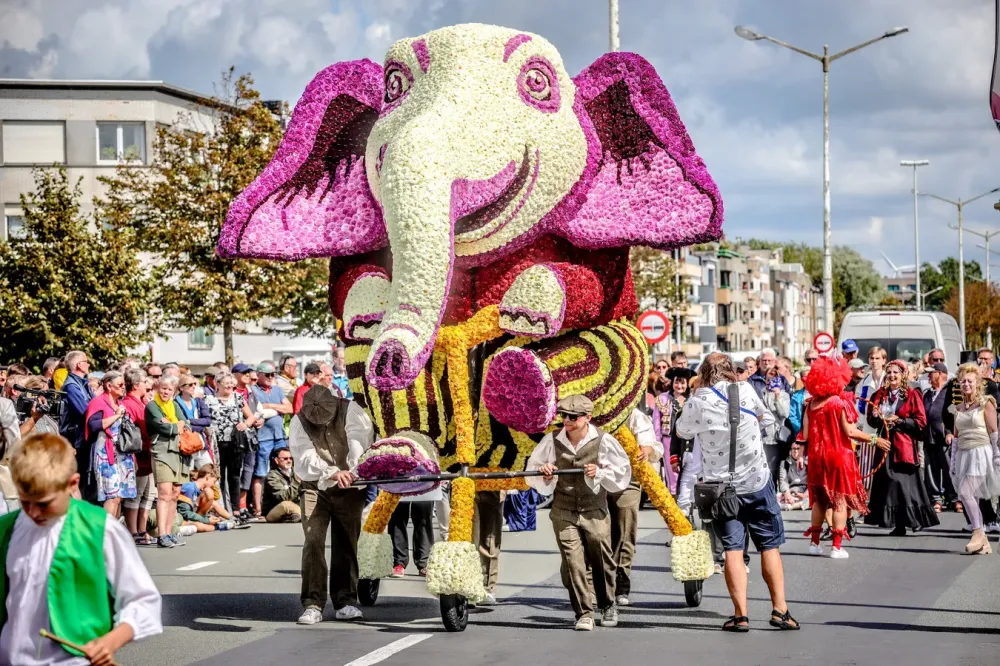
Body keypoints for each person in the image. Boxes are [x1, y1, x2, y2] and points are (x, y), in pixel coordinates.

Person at [0, 433, 162, 665]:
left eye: (44, 503)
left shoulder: (98, 528)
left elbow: (143, 599)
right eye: (26, 502)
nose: (34, 512)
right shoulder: (6, 530)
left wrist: (110, 642)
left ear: (72, 484)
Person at [675, 352, 798, 632]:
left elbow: (682, 432)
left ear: (704, 373)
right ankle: (780, 610)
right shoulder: (745, 389)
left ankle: (740, 615)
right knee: (769, 545)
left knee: (733, 548)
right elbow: (768, 421)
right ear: (732, 371)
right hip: (756, 481)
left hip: (721, 488)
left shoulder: (698, 400)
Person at [526, 394, 630, 631]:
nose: (568, 420)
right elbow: (532, 470)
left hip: (594, 509)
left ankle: (607, 603)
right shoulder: (552, 441)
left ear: (588, 417)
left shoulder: (604, 441)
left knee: (601, 556)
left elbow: (622, 473)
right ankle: (584, 612)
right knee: (573, 561)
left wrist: (600, 472)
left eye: (574, 416)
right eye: (564, 415)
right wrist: (545, 472)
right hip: (563, 509)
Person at [288, 385, 374, 625]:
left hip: (350, 487)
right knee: (313, 541)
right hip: (314, 486)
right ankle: (312, 604)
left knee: (346, 541)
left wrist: (353, 468)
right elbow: (304, 457)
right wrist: (331, 472)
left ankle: (345, 601)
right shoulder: (298, 422)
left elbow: (359, 440)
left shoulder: (351, 409)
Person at [799, 357, 878, 558]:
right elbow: (850, 431)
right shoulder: (838, 402)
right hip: (837, 456)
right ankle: (836, 546)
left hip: (816, 457)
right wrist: (874, 439)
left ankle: (814, 543)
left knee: (819, 502)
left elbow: (805, 436)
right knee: (839, 501)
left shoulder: (810, 404)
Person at [865, 360, 939, 535]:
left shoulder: (912, 395)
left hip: (903, 444)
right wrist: (876, 416)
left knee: (905, 484)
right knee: (890, 483)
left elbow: (921, 422)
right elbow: (871, 420)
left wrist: (900, 421)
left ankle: (914, 520)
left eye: (895, 373)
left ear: (902, 375)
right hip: (885, 444)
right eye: (889, 373)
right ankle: (898, 524)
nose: (891, 376)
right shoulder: (879, 394)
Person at [607, 408, 660, 607]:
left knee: (624, 530)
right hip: (595, 479)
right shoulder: (591, 412)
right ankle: (596, 581)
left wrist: (645, 450)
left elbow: (649, 444)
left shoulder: (633, 414)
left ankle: (621, 582)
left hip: (627, 479)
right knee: (596, 533)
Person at [943, 348, 1000, 530]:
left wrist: (997, 457)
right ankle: (977, 530)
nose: (965, 384)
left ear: (977, 382)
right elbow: (955, 430)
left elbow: (994, 432)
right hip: (964, 452)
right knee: (969, 494)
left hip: (981, 451)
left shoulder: (987, 398)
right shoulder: (957, 406)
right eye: (963, 380)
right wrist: (953, 460)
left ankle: (983, 527)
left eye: (969, 380)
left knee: (969, 491)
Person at [204, 371, 261, 519]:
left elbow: (251, 416)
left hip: (235, 442)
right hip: (217, 443)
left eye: (231, 383)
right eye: (226, 383)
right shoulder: (208, 400)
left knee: (235, 476)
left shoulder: (238, 398)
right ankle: (222, 509)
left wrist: (245, 424)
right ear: (217, 384)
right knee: (219, 476)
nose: (229, 386)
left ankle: (236, 510)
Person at [145, 375, 192, 548]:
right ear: (157, 388)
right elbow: (163, 427)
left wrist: (176, 424)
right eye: (163, 388)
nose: (165, 392)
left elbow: (187, 424)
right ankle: (161, 535)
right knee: (164, 494)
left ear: (174, 391)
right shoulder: (152, 406)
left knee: (174, 493)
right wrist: (175, 425)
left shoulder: (174, 405)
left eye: (169, 389)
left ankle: (170, 531)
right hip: (163, 452)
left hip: (178, 452)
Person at [84, 371, 137, 517]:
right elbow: (94, 425)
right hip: (105, 454)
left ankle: (114, 532)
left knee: (119, 497)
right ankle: (106, 533)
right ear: (108, 385)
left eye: (124, 385)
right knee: (111, 496)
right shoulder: (98, 402)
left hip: (122, 454)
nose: (123, 388)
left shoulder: (119, 403)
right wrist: (117, 416)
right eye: (120, 385)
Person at [250, 361, 292, 520]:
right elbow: (254, 412)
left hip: (279, 436)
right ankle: (258, 509)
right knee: (260, 472)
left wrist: (268, 406)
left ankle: (284, 503)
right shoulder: (253, 391)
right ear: (259, 374)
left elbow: (290, 408)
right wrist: (277, 409)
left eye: (272, 374)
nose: (270, 377)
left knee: (284, 469)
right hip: (263, 437)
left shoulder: (277, 390)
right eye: (267, 375)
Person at [121, 368, 156, 546]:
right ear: (135, 385)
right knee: (136, 494)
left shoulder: (140, 402)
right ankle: (133, 531)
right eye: (144, 383)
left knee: (147, 494)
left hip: (147, 452)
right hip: (139, 453)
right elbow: (134, 431)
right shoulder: (129, 404)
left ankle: (142, 529)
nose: (147, 386)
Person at [59, 350, 95, 499]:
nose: (89, 364)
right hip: (76, 440)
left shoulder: (83, 383)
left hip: (84, 438)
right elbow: (86, 411)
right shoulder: (72, 386)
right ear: (79, 365)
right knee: (78, 481)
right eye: (86, 361)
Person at [923, 362, 958, 512]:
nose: (929, 376)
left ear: (940, 374)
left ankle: (955, 498)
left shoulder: (951, 391)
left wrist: (950, 432)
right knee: (932, 469)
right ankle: (936, 499)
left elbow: (954, 414)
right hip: (929, 437)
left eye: (932, 373)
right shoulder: (927, 393)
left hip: (945, 436)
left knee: (950, 468)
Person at [654, 368, 693, 494]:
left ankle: (688, 500)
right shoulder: (662, 399)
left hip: (689, 441)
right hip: (668, 440)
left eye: (683, 383)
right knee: (672, 472)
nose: (679, 386)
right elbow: (656, 424)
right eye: (677, 382)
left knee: (689, 471)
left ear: (687, 384)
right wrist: (657, 443)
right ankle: (674, 497)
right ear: (672, 383)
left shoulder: (693, 398)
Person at [855, 346, 888, 494]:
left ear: (884, 360)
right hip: (868, 429)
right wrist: (859, 425)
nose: (874, 361)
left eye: (877, 358)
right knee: (866, 465)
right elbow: (859, 404)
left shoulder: (889, 378)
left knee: (883, 466)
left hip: (885, 428)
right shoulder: (864, 381)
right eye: (872, 358)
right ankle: (867, 502)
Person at [389, 485, 439, 578]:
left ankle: (424, 562)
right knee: (397, 517)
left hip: (424, 476)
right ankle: (398, 562)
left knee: (423, 518)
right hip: (399, 476)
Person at [263, 447, 302, 523]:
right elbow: (283, 497)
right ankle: (302, 515)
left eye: (291, 458)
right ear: (276, 460)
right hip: (273, 510)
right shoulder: (272, 476)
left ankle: (296, 515)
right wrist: (297, 482)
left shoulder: (296, 472)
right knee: (286, 505)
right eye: (285, 458)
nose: (289, 461)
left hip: (295, 505)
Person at [778, 441, 809, 511]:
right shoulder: (784, 463)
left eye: (798, 449)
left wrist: (806, 495)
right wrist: (787, 493)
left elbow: (812, 482)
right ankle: (791, 504)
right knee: (775, 497)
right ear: (790, 450)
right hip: (791, 493)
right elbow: (783, 481)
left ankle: (792, 506)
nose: (795, 451)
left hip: (804, 493)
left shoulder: (808, 463)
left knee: (816, 499)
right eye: (793, 449)